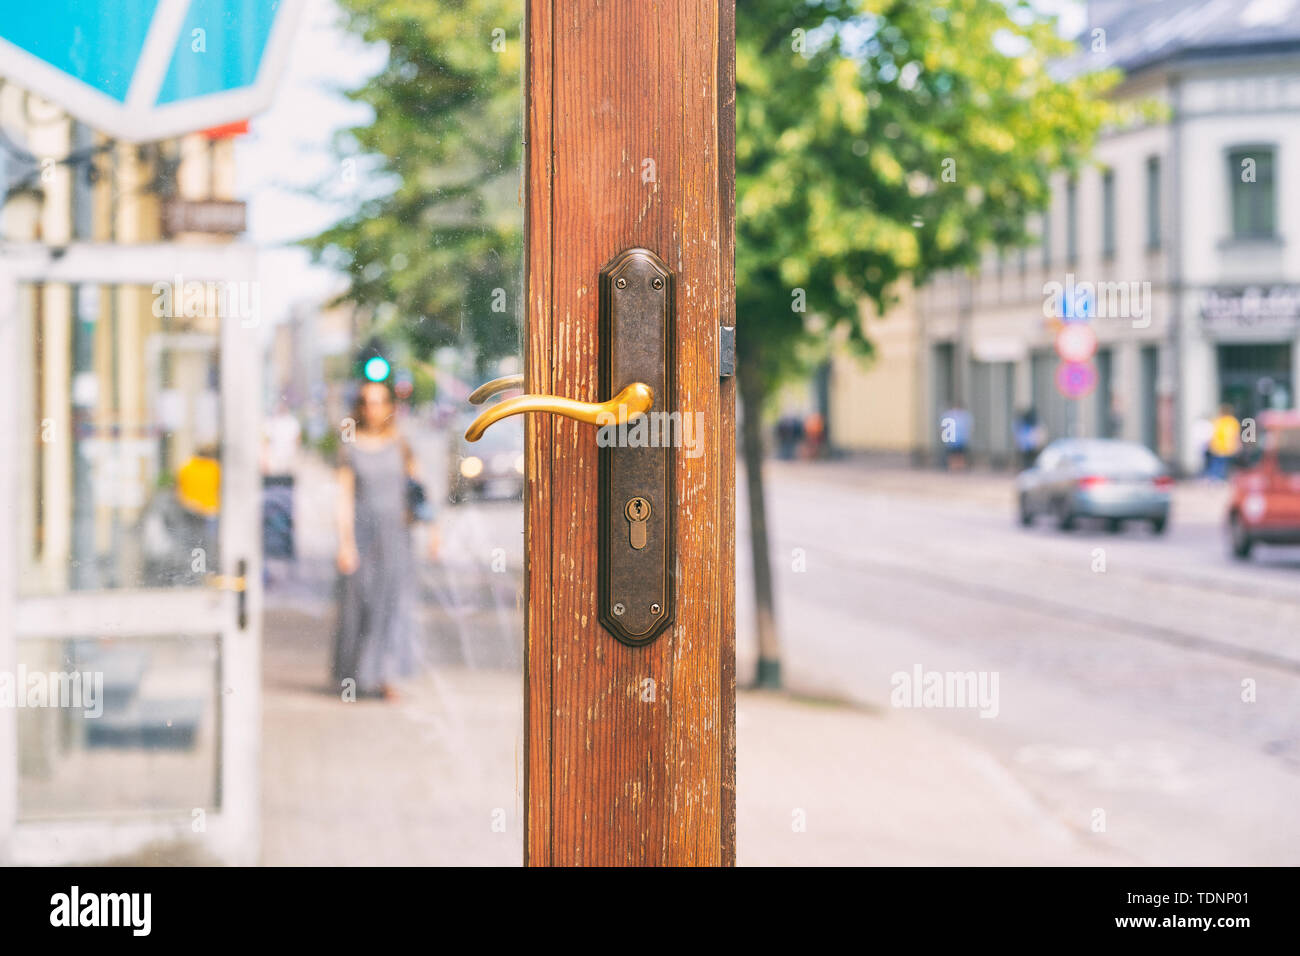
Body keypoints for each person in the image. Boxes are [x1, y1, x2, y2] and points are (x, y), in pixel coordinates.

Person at [332, 379, 438, 701]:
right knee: (360, 603)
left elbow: (418, 491)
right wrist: (345, 542)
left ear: (390, 407)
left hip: (396, 536)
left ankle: (387, 675)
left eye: (380, 402)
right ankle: (357, 674)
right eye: (368, 401)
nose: (374, 408)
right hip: (363, 537)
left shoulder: (400, 445)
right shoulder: (349, 448)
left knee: (394, 604)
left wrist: (434, 531)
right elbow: (344, 498)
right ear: (360, 407)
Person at [1207, 403, 1241, 481]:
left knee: (1217, 464)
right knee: (1224, 464)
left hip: (1218, 447)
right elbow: (1236, 435)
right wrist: (1238, 444)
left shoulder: (1218, 421)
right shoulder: (1232, 421)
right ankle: (1221, 478)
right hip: (1226, 447)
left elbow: (1212, 434)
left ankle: (1216, 479)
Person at [940, 401, 972, 471]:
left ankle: (958, 467)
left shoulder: (963, 415)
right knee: (953, 454)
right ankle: (954, 467)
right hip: (954, 438)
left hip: (959, 439)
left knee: (959, 454)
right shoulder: (951, 415)